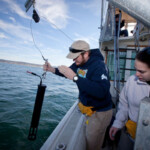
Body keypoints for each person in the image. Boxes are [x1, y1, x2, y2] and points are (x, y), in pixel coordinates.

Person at [43, 40, 113, 150]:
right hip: (87, 109)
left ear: (85, 53)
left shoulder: (99, 66)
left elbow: (101, 91)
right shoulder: (79, 63)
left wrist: (75, 78)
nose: (73, 59)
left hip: (100, 113)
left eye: (75, 57)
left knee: (92, 145)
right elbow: (68, 72)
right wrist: (51, 69)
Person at [109, 47, 150, 150]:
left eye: (141, 71)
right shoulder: (132, 81)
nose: (136, 74)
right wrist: (118, 123)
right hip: (130, 132)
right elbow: (124, 105)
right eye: (136, 69)